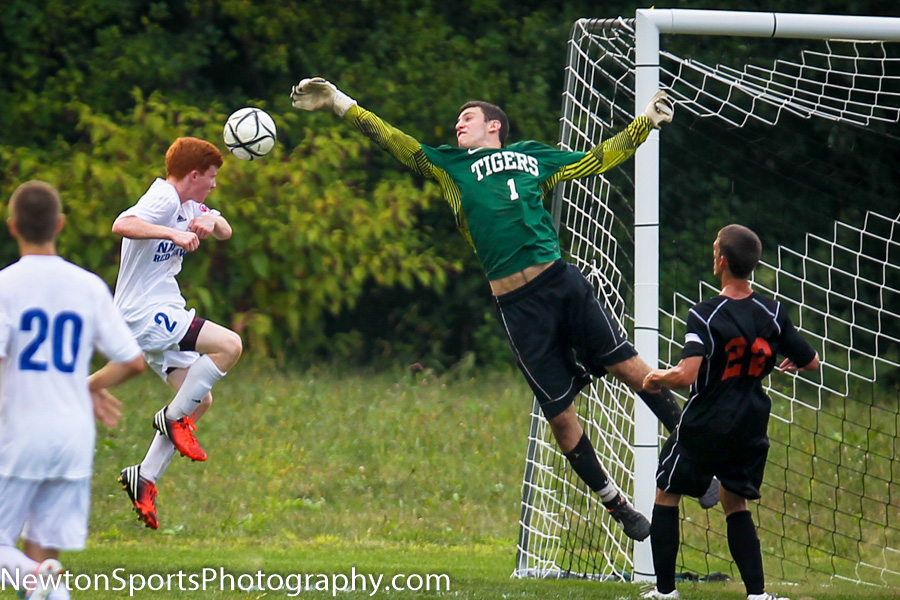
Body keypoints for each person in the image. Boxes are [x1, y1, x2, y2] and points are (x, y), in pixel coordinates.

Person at [289, 77, 713, 541]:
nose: (457, 124)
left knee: (630, 367)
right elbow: (394, 139)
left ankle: (693, 449)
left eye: (466, 118)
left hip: (560, 284)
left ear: (494, 126)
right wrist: (341, 104)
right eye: (456, 120)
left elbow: (594, 160)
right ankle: (618, 505)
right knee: (559, 414)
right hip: (516, 306)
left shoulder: (533, 156)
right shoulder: (450, 165)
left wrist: (643, 126)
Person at [640, 224, 820, 600]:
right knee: (733, 500)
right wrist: (789, 361)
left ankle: (665, 592)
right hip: (749, 423)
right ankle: (757, 595)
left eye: (714, 248)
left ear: (722, 261)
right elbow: (811, 361)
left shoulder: (704, 315)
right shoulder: (772, 313)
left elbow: (687, 375)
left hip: (705, 421)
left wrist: (658, 376)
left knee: (666, 493)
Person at [0, 181, 145, 600]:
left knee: (25, 566)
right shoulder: (87, 286)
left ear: (12, 227)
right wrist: (86, 387)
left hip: (19, 434)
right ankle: (40, 580)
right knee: (45, 557)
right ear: (59, 224)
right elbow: (132, 361)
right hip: (71, 438)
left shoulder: (6, 287)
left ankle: (31, 576)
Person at [111, 137, 242, 530]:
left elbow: (225, 231)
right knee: (230, 346)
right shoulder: (165, 197)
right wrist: (174, 235)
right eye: (212, 177)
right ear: (193, 175)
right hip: (145, 313)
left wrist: (212, 220)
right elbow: (123, 223)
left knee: (198, 402)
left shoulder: (189, 206)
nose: (215, 185)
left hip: (160, 312)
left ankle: (144, 476)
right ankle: (170, 419)